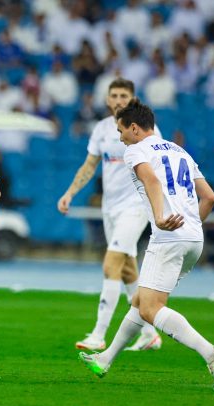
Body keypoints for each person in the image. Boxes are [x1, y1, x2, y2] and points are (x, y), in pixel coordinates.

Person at [80, 99, 214, 390]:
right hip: (193, 239)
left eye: (121, 131)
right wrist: (192, 226)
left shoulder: (136, 150)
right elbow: (210, 197)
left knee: (150, 308)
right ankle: (105, 359)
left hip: (168, 237)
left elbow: (151, 181)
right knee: (139, 301)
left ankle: (210, 352)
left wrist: (160, 218)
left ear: (134, 128)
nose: (120, 138)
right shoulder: (179, 150)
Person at [58, 78, 163, 352]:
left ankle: (99, 334)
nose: (118, 100)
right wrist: (69, 193)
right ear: (106, 99)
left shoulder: (146, 130)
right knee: (127, 268)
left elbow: (159, 168)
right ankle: (149, 332)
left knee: (111, 264)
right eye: (113, 95)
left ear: (132, 99)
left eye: (123, 95)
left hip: (136, 206)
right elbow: (90, 165)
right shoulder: (102, 129)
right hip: (110, 207)